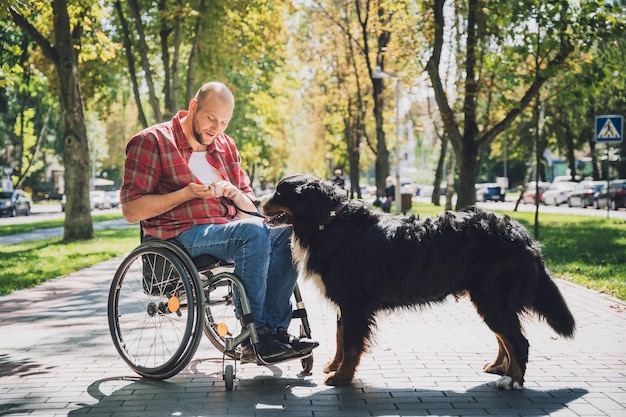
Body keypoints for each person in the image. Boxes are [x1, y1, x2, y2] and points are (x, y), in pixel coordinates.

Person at [120, 81, 318, 363]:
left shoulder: (225, 145)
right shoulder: (152, 142)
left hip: (228, 228)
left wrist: (235, 194)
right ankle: (255, 335)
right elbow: (131, 210)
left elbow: (252, 209)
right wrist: (186, 193)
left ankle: (275, 331)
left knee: (286, 232)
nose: (217, 129)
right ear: (193, 107)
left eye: (224, 122)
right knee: (250, 234)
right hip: (180, 235)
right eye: (211, 118)